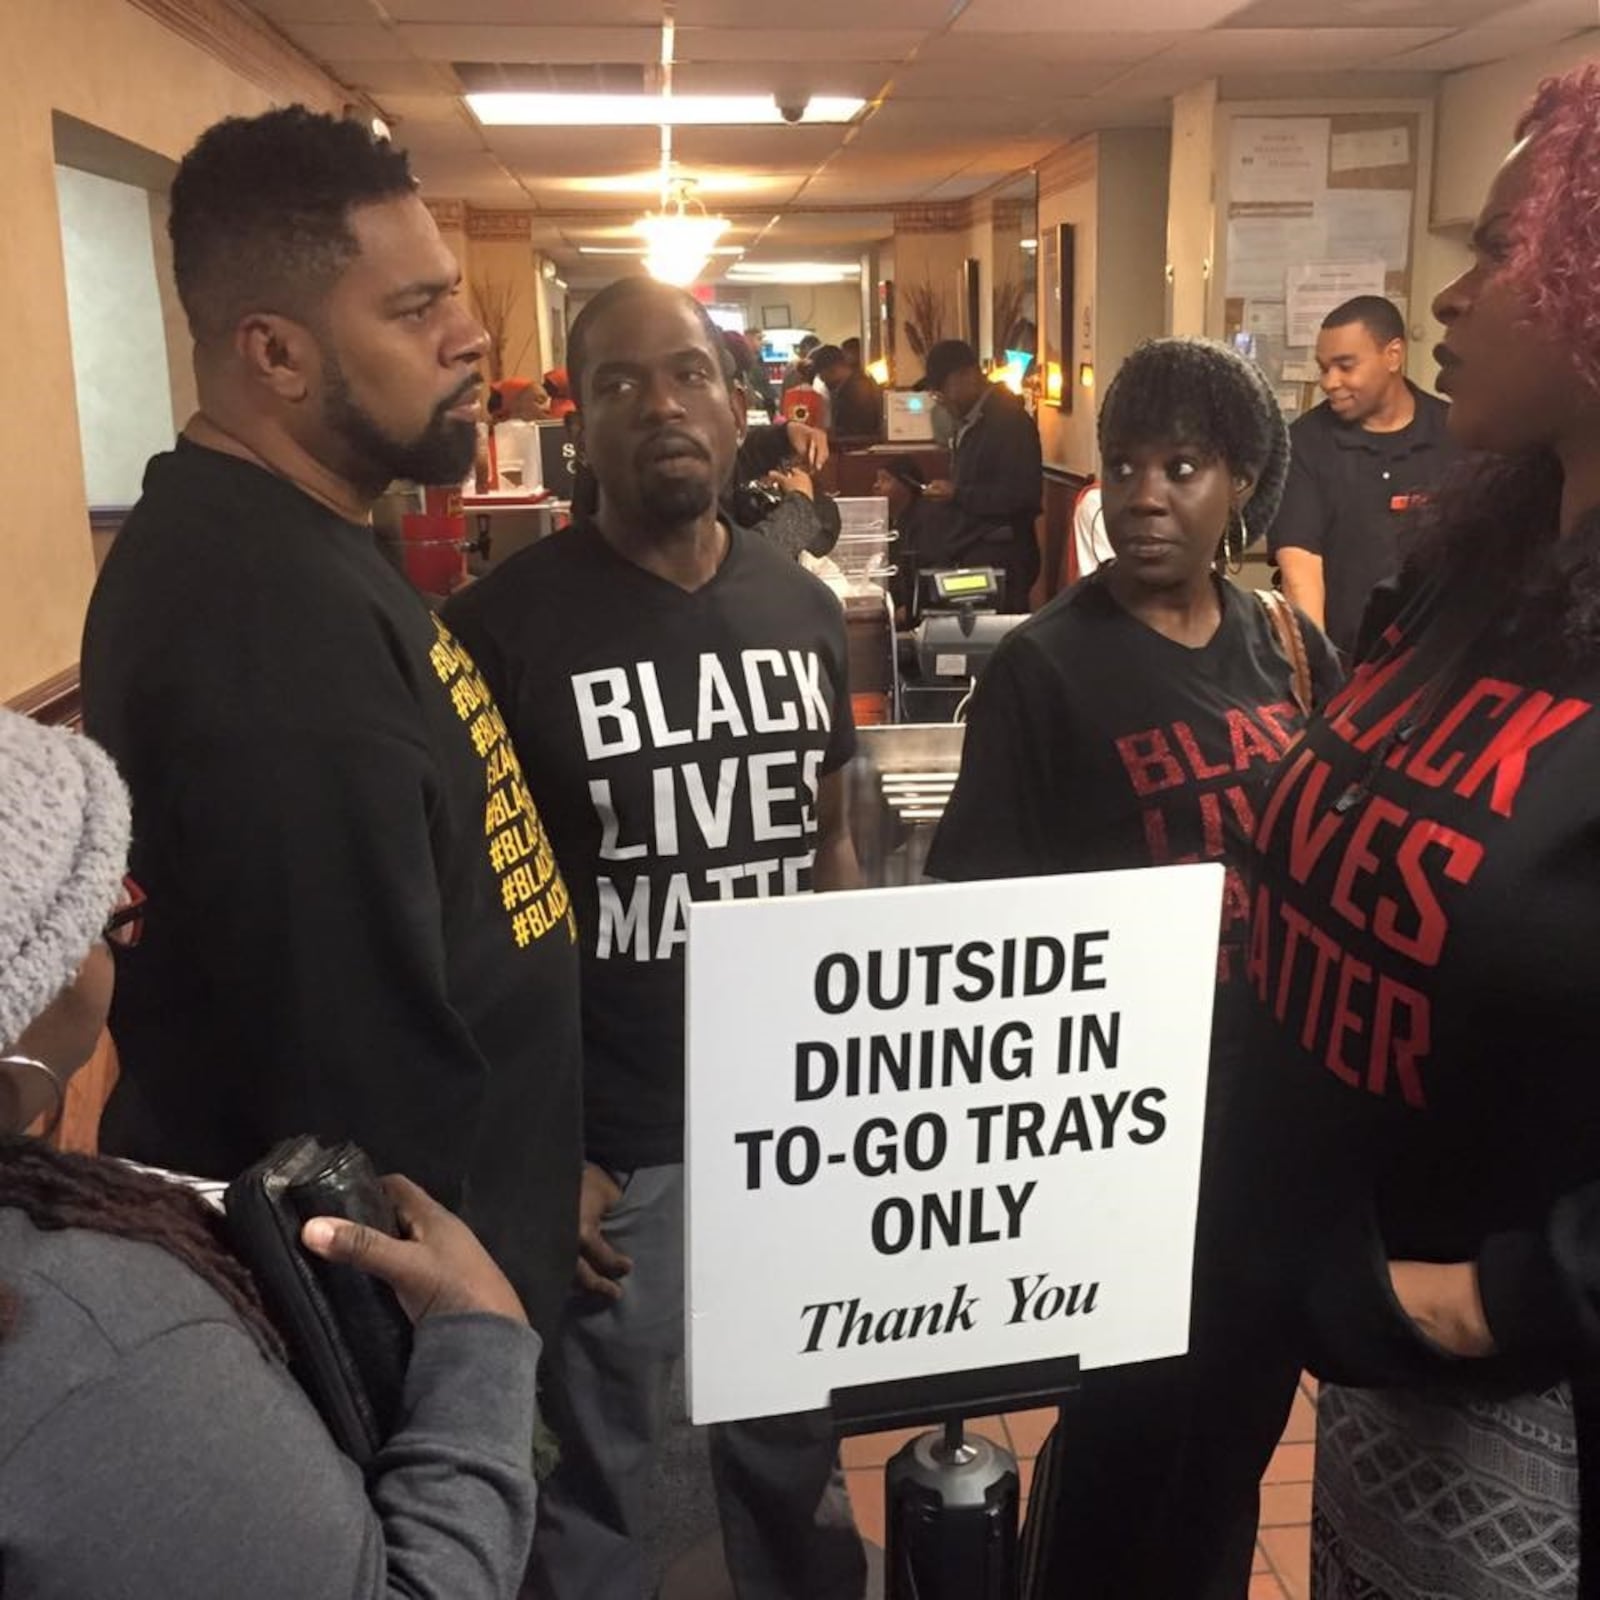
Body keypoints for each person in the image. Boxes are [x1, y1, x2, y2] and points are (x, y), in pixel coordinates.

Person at [79, 107, 582, 1349]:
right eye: (415, 310)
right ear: (278, 355)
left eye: (452, 295)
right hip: (405, 1333)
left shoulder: (296, 543)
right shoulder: (259, 622)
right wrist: (461, 1376)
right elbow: (346, 1088)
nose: (470, 338)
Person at [1235, 62, 1600, 1600]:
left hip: (1538, 1411)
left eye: (1500, 245)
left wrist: (1478, 1298)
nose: (1443, 300)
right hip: (1382, 1383)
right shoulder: (1473, 568)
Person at [443, 275, 866, 1600]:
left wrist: (861, 1062)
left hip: (786, 1121)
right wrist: (538, 1143)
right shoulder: (499, 632)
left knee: (794, 1438)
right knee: (601, 1470)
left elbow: (827, 845)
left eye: (686, 372)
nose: (660, 403)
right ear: (579, 428)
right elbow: (472, 922)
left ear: (740, 409)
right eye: (620, 382)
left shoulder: (802, 604)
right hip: (613, 1140)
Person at [926, 336, 1341, 1598]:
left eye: (1184, 465)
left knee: (1231, 1440)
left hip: (1269, 1123)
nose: (1144, 494)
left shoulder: (1286, 644)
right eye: (1123, 466)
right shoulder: (1044, 667)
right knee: (1123, 1443)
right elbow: (973, 921)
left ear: (1240, 484)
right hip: (1123, 1138)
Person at [0, 707, 543, 1598]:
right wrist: (479, 1339)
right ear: (34, 983)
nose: (121, 944)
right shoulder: (98, 1345)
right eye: (104, 918)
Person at [1268, 294, 1463, 659]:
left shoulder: (1458, 433)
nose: (1330, 382)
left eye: (1345, 366)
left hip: (1440, 664)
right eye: (1324, 368)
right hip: (1347, 667)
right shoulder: (1304, 444)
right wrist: (1316, 672)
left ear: (1393, 355)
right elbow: (1300, 571)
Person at [921, 337, 1044, 610]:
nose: (939, 398)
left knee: (992, 641)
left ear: (969, 375)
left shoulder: (1010, 422)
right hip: (973, 552)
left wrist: (957, 493)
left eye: (941, 388)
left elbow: (1023, 496)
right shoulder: (969, 422)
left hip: (1002, 555)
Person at [810, 342, 884, 439]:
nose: (824, 382)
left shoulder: (857, 389)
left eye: (823, 377)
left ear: (833, 369)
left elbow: (857, 428)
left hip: (858, 446)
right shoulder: (855, 383)